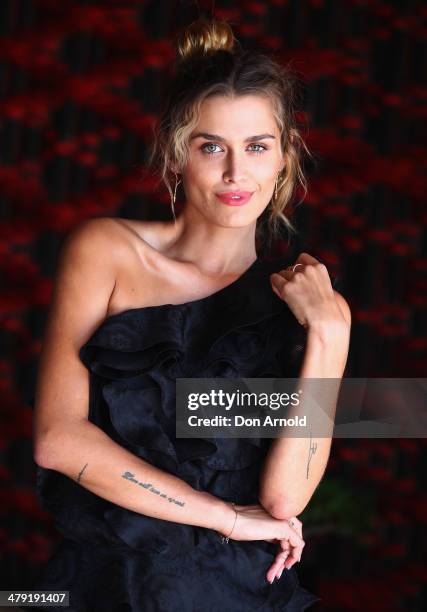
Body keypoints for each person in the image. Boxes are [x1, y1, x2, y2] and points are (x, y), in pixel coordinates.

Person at [31, 16, 351, 612]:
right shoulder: (105, 250)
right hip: (105, 579)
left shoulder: (305, 303)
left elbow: (285, 501)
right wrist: (223, 517)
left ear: (284, 157)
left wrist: (331, 336)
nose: (236, 173)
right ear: (176, 156)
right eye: (212, 147)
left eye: (257, 146)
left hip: (240, 587)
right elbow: (57, 440)